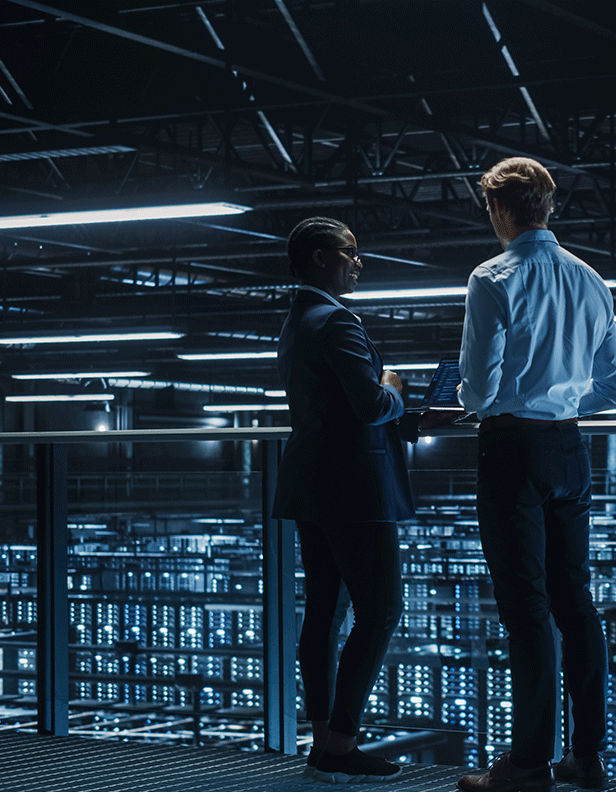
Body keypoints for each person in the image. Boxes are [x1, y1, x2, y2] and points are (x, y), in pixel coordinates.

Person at [456, 158, 616, 792]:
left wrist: (509, 402)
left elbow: (478, 389)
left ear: (499, 210)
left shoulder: (492, 277)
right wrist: (560, 401)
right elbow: (614, 389)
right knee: (574, 601)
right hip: (569, 450)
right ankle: (586, 757)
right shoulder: (590, 280)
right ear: (548, 207)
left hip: (510, 453)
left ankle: (527, 764)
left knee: (526, 609)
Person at [271, 216, 413, 784]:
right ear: (320, 258)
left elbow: (332, 404)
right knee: (380, 611)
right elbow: (372, 405)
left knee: (325, 612)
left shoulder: (297, 318)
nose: (359, 263)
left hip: (311, 483)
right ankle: (341, 745)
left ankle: (323, 740)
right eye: (350, 253)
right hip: (354, 488)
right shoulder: (336, 321)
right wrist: (398, 388)